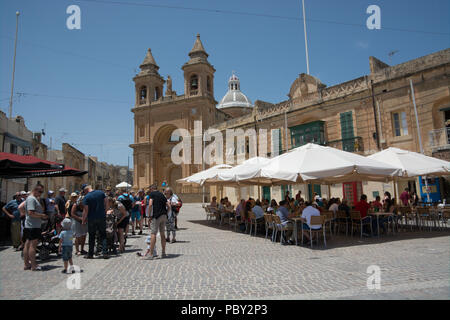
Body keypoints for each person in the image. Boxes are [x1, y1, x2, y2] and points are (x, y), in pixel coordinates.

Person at [23, 184, 48, 271]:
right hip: (33, 226)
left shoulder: (31, 199)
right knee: (33, 245)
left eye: (42, 192)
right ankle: (33, 265)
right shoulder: (31, 199)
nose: (41, 194)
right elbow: (31, 212)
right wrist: (42, 215)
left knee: (28, 244)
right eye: (40, 192)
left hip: (30, 225)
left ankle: (27, 264)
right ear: (35, 190)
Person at [82, 184, 109, 259]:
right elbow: (106, 202)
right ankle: (105, 253)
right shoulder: (101, 193)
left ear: (86, 190)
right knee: (103, 235)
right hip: (101, 217)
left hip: (91, 218)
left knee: (91, 236)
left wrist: (83, 220)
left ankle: (90, 254)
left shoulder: (86, 197)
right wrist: (105, 211)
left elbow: (86, 210)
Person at [147, 184, 170, 259]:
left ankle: (150, 254)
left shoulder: (152, 194)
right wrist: (166, 213)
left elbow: (150, 204)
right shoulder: (162, 194)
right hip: (164, 215)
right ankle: (163, 252)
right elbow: (169, 206)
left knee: (153, 233)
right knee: (162, 233)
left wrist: (149, 215)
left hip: (156, 216)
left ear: (151, 189)